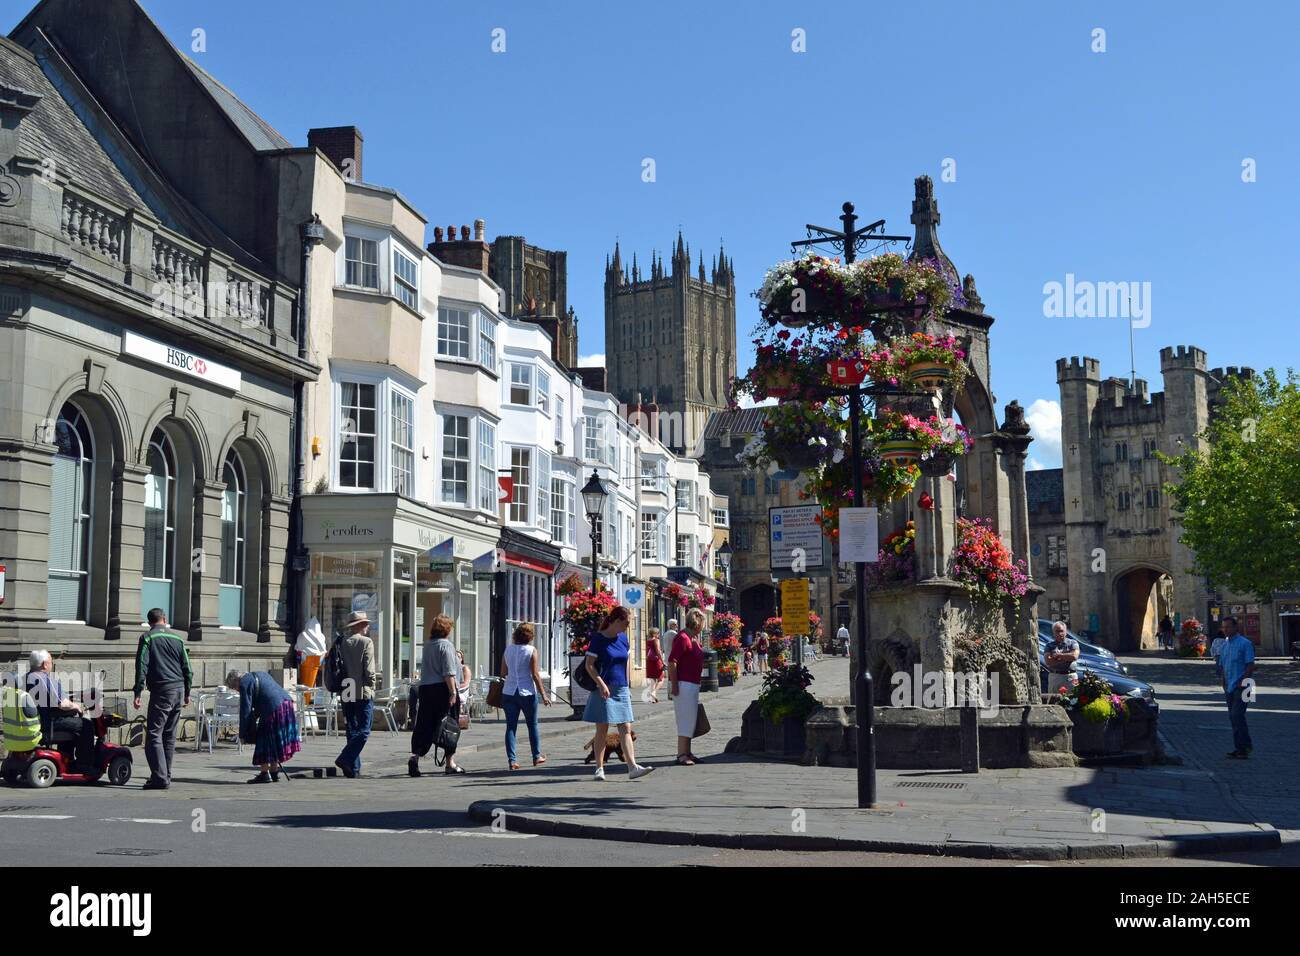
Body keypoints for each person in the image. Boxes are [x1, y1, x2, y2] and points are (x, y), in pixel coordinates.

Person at [584, 606, 653, 781]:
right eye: (626, 622)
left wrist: (628, 686)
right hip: (604, 688)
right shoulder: (598, 639)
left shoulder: (623, 639)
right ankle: (599, 768)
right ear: (616, 621)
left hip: (621, 687)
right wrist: (600, 684)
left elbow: (625, 664)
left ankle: (632, 766)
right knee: (602, 728)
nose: (628, 626)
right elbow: (589, 664)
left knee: (626, 727)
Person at [131, 609, 193, 789]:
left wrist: (137, 692)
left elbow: (141, 665)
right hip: (179, 689)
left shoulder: (147, 638)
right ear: (164, 619)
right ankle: (165, 775)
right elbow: (187, 668)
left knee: (154, 734)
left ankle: (159, 778)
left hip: (162, 690)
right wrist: (187, 692)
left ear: (149, 622)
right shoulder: (178, 639)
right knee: (169, 735)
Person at [409, 614, 464, 776]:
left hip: (426, 688)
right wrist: (453, 692)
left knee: (424, 724)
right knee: (449, 725)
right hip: (443, 689)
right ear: (447, 629)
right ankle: (450, 763)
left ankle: (415, 757)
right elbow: (448, 672)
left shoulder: (428, 645)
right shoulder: (446, 645)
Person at [26, 650, 95, 773]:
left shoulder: (22, 679)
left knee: (71, 723)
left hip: (29, 724)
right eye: (51, 662)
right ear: (44, 664)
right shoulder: (46, 680)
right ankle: (83, 765)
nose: (51, 665)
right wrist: (77, 707)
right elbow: (62, 704)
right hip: (47, 724)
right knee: (86, 725)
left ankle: (66, 760)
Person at [225, 668, 299, 783]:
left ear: (236, 681)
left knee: (263, 739)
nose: (237, 691)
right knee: (273, 740)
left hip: (273, 708)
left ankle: (265, 773)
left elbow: (245, 710)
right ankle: (274, 772)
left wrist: (243, 734)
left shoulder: (244, 683)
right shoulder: (260, 674)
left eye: (235, 688)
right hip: (286, 704)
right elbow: (264, 694)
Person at [333, 611, 377, 779]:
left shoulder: (341, 641)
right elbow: (369, 670)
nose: (367, 626)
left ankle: (353, 767)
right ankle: (345, 758)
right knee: (364, 730)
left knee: (352, 729)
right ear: (358, 626)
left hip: (346, 688)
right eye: (365, 623)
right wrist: (372, 686)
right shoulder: (366, 642)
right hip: (362, 689)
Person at [501, 622, 550, 770]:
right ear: (530, 636)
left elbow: (503, 672)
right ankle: (536, 756)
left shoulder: (508, 650)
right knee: (532, 725)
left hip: (509, 691)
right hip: (526, 692)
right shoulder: (531, 650)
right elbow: (535, 674)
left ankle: (512, 760)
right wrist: (544, 694)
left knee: (511, 726)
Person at [668, 607, 707, 766]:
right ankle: (681, 753)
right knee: (685, 718)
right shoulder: (683, 638)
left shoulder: (693, 639)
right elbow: (672, 661)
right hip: (684, 684)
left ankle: (688, 751)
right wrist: (674, 684)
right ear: (697, 624)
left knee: (690, 719)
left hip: (692, 683)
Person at [1219, 617, 1256, 759]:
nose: (1225, 630)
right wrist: (1223, 680)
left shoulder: (1245, 644)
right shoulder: (1225, 645)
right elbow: (1223, 665)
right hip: (1229, 685)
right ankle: (1239, 747)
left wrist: (1244, 680)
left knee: (1237, 715)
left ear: (1235, 627)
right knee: (1233, 717)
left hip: (1245, 685)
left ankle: (1246, 746)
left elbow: (1250, 665)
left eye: (1228, 627)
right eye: (1224, 627)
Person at [644, 627, 665, 703]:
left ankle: (652, 698)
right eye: (658, 633)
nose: (659, 635)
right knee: (661, 678)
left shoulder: (648, 641)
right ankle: (654, 692)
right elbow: (658, 652)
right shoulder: (656, 640)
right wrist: (663, 661)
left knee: (653, 680)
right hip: (656, 661)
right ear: (655, 634)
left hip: (649, 661)